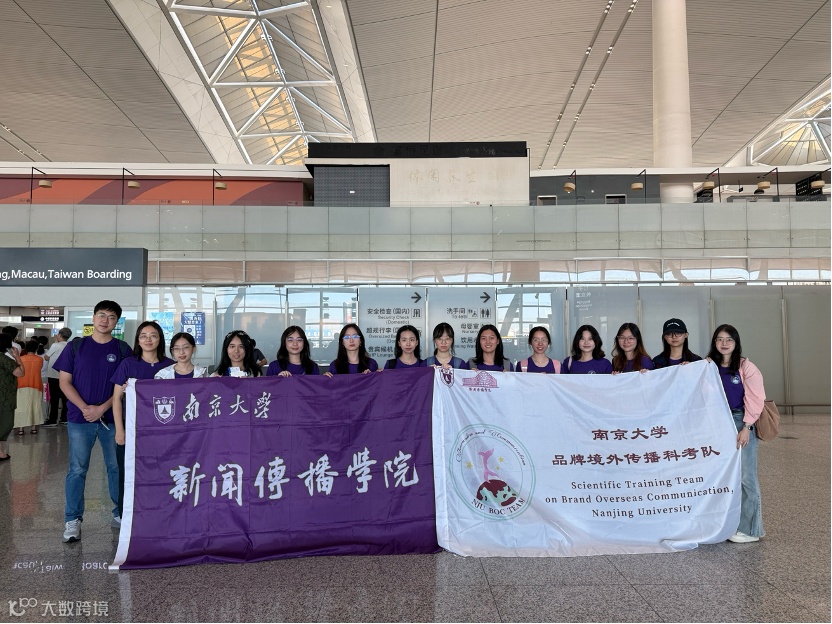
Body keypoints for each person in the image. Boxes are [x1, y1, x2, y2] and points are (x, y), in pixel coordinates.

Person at [53, 300, 132, 542]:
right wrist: (86, 408)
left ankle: (120, 513)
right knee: (77, 469)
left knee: (116, 468)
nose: (105, 320)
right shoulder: (75, 346)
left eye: (111, 317)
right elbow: (64, 382)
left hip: (113, 419)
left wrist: (102, 409)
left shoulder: (123, 349)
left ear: (117, 322)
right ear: (93, 317)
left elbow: (126, 387)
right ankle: (73, 519)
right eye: (101, 315)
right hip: (80, 419)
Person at [707, 324, 765, 543]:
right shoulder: (709, 366)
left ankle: (751, 530)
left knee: (746, 476)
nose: (724, 343)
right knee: (722, 475)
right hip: (717, 422)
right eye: (720, 339)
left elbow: (756, 399)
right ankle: (728, 523)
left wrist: (746, 428)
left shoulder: (746, 367)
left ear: (736, 342)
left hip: (741, 420)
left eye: (729, 339)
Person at [111, 321, 174, 523]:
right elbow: (116, 399)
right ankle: (127, 519)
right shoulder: (128, 364)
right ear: (138, 340)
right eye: (143, 336)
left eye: (153, 335)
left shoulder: (170, 365)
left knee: (162, 474)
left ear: (160, 339)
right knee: (128, 475)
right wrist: (119, 430)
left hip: (162, 433)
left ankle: (160, 517)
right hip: (131, 431)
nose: (148, 340)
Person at [0, 334, 24, 460]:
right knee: (6, 423)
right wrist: (17, 357)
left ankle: (1, 452)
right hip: (4, 397)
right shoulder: (4, 359)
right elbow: (20, 372)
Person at [43, 328, 72, 426]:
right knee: (65, 398)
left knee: (54, 398)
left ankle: (53, 419)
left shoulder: (55, 345)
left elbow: (46, 357)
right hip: (66, 375)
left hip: (53, 375)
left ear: (59, 335)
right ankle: (64, 418)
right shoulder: (70, 345)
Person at [14, 341, 43, 435]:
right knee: (35, 406)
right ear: (36, 349)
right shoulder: (40, 359)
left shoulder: (21, 359)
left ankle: (21, 429)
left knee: (21, 407)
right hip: (36, 385)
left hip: (21, 385)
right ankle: (34, 428)